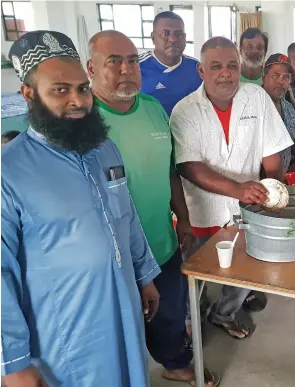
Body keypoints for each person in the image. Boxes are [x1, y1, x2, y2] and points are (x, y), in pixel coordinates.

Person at [2, 30, 160, 387]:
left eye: (82, 88)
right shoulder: (8, 172)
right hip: (66, 330)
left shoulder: (103, 149)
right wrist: (13, 364)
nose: (77, 101)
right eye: (60, 90)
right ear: (29, 94)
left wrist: (144, 274)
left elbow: (127, 216)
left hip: (123, 304)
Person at [87, 31, 218, 386]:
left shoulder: (154, 110)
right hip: (112, 253)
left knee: (170, 311)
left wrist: (185, 220)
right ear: (91, 69)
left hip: (160, 238)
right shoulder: (82, 123)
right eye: (114, 61)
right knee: (120, 325)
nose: (126, 69)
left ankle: (175, 363)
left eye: (132, 60)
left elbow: (170, 170)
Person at [170, 37, 293, 339]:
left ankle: (223, 314)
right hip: (201, 209)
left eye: (231, 66)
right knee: (194, 274)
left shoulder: (258, 98)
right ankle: (190, 320)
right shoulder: (185, 111)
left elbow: (272, 156)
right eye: (216, 66)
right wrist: (238, 190)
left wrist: (277, 194)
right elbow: (189, 167)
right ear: (201, 70)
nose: (225, 73)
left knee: (245, 269)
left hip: (247, 207)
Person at [139, 11, 202, 115]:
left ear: (185, 37)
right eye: (166, 33)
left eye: (178, 34)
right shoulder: (136, 67)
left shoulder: (196, 69)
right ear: (153, 38)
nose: (173, 39)